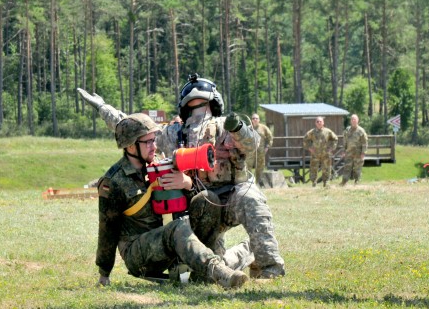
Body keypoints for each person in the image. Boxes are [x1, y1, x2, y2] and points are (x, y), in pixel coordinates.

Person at [79, 94, 248, 289]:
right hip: (139, 253)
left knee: (206, 199)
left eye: (154, 140)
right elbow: (107, 229)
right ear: (132, 145)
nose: (155, 146)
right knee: (176, 228)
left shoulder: (158, 163)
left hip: (169, 243)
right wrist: (104, 274)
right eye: (148, 142)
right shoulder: (114, 181)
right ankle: (220, 272)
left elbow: (183, 201)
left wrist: (186, 183)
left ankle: (215, 266)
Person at [157, 74, 285, 279]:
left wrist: (238, 129)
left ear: (213, 105)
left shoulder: (227, 126)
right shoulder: (174, 133)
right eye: (193, 107)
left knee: (253, 199)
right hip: (200, 205)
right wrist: (106, 110)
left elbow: (252, 144)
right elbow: (143, 135)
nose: (199, 113)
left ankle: (270, 267)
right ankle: (247, 252)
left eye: (203, 106)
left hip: (234, 196)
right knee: (209, 270)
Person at [302, 116, 338, 187]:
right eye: (317, 121)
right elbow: (305, 139)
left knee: (326, 168)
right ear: (315, 123)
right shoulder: (312, 132)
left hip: (325, 154)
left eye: (320, 121)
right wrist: (309, 148)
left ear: (323, 123)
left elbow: (335, 139)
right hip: (315, 154)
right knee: (313, 168)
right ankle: (313, 183)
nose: (319, 123)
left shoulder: (328, 131)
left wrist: (331, 148)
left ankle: (326, 182)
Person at [341, 114, 369, 186]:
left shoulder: (361, 131)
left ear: (357, 120)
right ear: (350, 121)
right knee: (347, 167)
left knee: (357, 168)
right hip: (349, 152)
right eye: (352, 119)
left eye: (355, 119)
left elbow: (365, 143)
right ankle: (344, 181)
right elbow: (344, 141)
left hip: (358, 153)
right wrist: (343, 151)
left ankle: (357, 181)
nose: (353, 120)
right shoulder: (347, 130)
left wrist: (363, 153)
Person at [248, 113, 273, 186]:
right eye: (253, 118)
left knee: (260, 167)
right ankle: (250, 183)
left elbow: (270, 137)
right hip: (250, 152)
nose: (255, 120)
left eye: (256, 118)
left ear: (259, 120)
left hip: (260, 152)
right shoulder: (248, 128)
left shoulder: (263, 128)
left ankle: (258, 183)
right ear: (251, 120)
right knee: (247, 166)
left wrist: (267, 146)